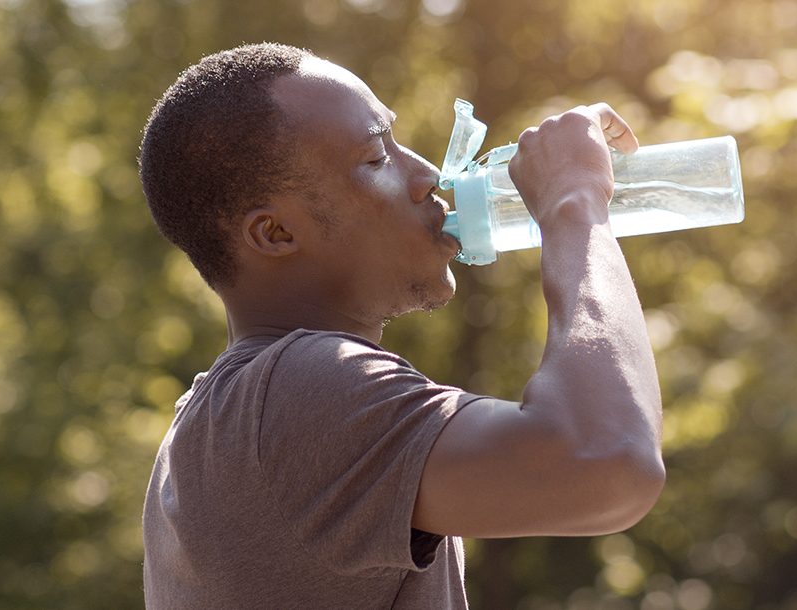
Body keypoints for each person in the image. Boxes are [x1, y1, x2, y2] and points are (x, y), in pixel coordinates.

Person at [138, 42, 665, 609]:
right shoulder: (295, 391)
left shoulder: (221, 418)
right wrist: (575, 203)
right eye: (375, 158)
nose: (427, 175)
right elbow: (608, 461)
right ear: (275, 234)